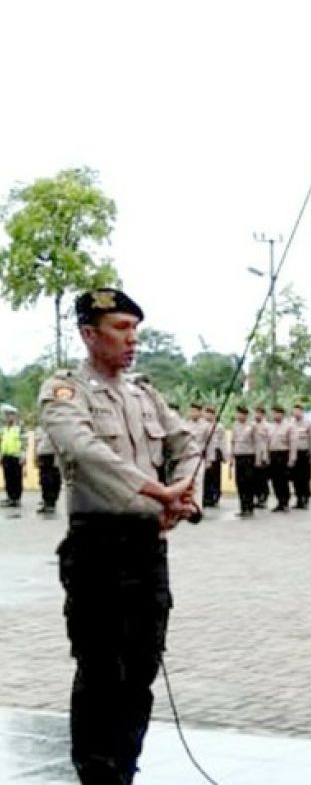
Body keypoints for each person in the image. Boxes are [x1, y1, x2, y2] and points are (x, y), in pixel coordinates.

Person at [39, 288, 201, 784]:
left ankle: (124, 771)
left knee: (141, 671)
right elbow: (85, 451)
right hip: (97, 548)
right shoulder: (65, 391)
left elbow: (186, 440)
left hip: (147, 547)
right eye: (121, 329)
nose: (132, 340)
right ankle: (97, 775)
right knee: (102, 672)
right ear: (89, 334)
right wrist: (157, 490)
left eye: (136, 330)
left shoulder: (144, 393)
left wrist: (184, 491)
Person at [229, 406, 258, 517]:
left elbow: (257, 442)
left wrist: (259, 458)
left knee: (249, 483)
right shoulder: (235, 426)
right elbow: (233, 442)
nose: (239, 416)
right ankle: (243, 507)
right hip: (238, 457)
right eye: (238, 414)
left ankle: (250, 507)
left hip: (249, 457)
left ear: (246, 415)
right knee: (240, 483)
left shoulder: (252, 426)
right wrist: (231, 457)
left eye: (241, 414)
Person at [267, 405, 297, 513]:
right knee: (275, 481)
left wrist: (292, 458)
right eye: (273, 413)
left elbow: (293, 443)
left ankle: (285, 502)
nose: (275, 415)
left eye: (277, 413)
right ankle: (279, 501)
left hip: (283, 454)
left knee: (283, 480)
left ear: (282, 414)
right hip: (273, 455)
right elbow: (267, 443)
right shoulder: (270, 427)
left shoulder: (288, 426)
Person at [291, 403, 311, 510]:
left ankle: (305, 499)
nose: (295, 413)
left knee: (305, 478)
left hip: (304, 453)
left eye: (298, 411)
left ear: (302, 411)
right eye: (294, 411)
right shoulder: (290, 423)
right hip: (294, 454)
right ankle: (298, 499)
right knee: (295, 478)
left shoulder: (309, 423)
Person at [200, 406, 227, 509]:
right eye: (207, 413)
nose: (208, 415)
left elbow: (223, 442)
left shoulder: (219, 426)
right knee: (205, 476)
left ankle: (215, 496)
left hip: (216, 452)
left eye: (211, 413)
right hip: (204, 452)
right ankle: (206, 497)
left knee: (215, 476)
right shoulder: (202, 425)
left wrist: (225, 456)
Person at [2, 409, 26, 507]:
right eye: (7, 415)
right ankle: (10, 497)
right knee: (8, 478)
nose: (8, 417)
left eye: (11, 415)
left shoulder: (19, 428)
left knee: (17, 478)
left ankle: (16, 498)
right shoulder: (3, 428)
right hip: (6, 456)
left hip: (16, 456)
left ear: (15, 416)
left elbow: (24, 442)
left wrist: (23, 455)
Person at [35, 425, 61, 516]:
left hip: (52, 454)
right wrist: (36, 455)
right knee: (44, 480)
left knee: (53, 479)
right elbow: (37, 442)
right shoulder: (40, 427)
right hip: (42, 454)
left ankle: (51, 502)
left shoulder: (56, 425)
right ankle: (47, 502)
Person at [252, 406, 271, 509]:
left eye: (259, 413)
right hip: (253, 455)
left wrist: (267, 456)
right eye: (256, 413)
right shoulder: (252, 425)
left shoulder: (267, 426)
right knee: (254, 480)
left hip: (263, 455)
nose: (257, 415)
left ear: (263, 415)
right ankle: (257, 497)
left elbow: (269, 442)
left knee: (263, 480)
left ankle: (263, 498)